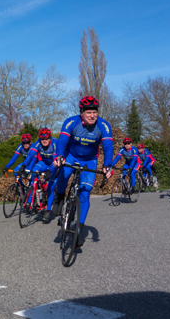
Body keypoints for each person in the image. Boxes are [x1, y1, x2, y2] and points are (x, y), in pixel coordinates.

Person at [52, 96, 113, 247]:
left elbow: (107, 147)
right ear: (82, 113)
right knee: (64, 175)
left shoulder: (103, 126)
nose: (92, 115)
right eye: (88, 113)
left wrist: (107, 165)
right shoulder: (72, 122)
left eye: (95, 112)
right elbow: (62, 141)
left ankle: (78, 228)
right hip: (70, 156)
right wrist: (60, 156)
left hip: (89, 160)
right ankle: (59, 196)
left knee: (85, 194)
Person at [18, 128, 58, 223]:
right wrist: (23, 166)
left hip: (55, 164)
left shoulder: (55, 143)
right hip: (43, 163)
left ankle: (48, 210)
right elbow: (31, 155)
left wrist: (50, 170)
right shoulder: (37, 143)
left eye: (46, 138)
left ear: (50, 138)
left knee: (50, 188)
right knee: (34, 171)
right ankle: (33, 196)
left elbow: (56, 159)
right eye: (42, 138)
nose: (44, 140)